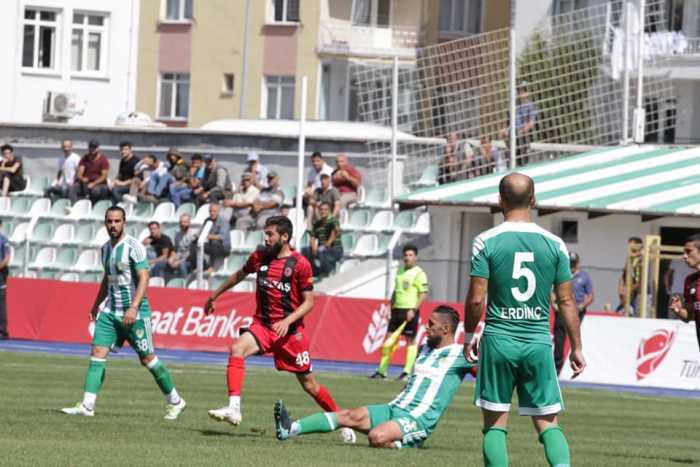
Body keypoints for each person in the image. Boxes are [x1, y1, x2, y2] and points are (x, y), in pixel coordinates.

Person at [463, 173, 585, 467]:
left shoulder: (486, 241)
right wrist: (577, 347)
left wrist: (469, 335)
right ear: (533, 199)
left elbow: (477, 298)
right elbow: (567, 300)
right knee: (548, 424)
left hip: (499, 340)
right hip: (538, 342)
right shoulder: (555, 244)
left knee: (495, 425)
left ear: (500, 200)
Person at [203, 216, 356, 443]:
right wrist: (215, 295)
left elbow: (309, 302)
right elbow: (239, 275)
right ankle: (234, 408)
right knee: (237, 348)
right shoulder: (260, 256)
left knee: (310, 385)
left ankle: (342, 421)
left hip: (290, 334)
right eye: (265, 233)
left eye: (270, 234)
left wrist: (288, 321)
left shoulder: (300, 264)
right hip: (263, 325)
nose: (266, 238)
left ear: (284, 237)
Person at [274, 305, 476, 448]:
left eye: (431, 324)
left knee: (376, 437)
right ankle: (290, 428)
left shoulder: (461, 354)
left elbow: (486, 376)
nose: (426, 327)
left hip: (417, 420)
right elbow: (413, 384)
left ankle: (406, 442)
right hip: (393, 409)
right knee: (350, 415)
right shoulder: (423, 349)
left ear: (446, 329)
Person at [61, 206, 186, 419]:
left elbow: (144, 278)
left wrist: (134, 307)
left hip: (135, 313)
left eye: (117, 221)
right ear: (105, 223)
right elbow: (106, 279)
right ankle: (87, 405)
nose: (113, 225)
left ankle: (175, 401)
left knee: (147, 359)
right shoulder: (105, 249)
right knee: (97, 354)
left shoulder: (134, 246)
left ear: (124, 222)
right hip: (110, 312)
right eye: (110, 221)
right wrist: (96, 305)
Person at [370, 245, 429, 381]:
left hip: (409, 310)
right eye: (406, 255)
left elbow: (423, 293)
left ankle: (407, 372)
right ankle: (382, 371)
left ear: (415, 257)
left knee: (410, 341)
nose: (407, 258)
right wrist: (390, 306)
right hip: (396, 310)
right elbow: (396, 291)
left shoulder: (419, 273)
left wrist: (413, 310)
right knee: (389, 340)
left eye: (410, 255)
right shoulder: (400, 271)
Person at [553, 252, 593, 375]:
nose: (571, 265)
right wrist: (554, 304)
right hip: (561, 312)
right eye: (569, 263)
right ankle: (557, 370)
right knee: (559, 342)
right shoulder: (561, 273)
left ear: (578, 263)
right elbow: (552, 291)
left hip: (577, 312)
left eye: (573, 263)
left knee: (575, 340)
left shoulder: (584, 277)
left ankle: (577, 366)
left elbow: (590, 295)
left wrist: (582, 305)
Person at [669, 234, 700, 351]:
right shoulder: (690, 281)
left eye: (689, 251)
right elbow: (689, 316)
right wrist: (678, 310)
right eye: (684, 252)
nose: (684, 256)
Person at [500, 81, 539, 166]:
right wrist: (504, 130)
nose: (521, 93)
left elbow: (531, 123)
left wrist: (522, 130)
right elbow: (507, 123)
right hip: (512, 137)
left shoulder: (531, 106)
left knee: (522, 162)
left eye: (523, 90)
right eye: (519, 90)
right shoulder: (513, 107)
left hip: (522, 138)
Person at [302, 202, 343, 278]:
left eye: (325, 209)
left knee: (322, 251)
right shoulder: (317, 224)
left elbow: (334, 232)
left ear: (329, 211)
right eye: (321, 209)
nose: (323, 211)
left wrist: (328, 243)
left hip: (335, 249)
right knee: (305, 251)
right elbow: (313, 237)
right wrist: (313, 246)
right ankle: (314, 272)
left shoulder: (333, 221)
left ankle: (326, 272)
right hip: (322, 247)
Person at [70, 140, 110, 204]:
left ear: (98, 148)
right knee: (73, 188)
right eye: (91, 147)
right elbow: (80, 173)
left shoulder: (103, 159)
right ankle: (74, 206)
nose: (92, 149)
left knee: (95, 191)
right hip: (86, 183)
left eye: (94, 147)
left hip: (100, 184)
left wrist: (94, 183)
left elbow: (104, 176)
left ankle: (93, 207)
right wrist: (82, 178)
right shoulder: (84, 158)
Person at [617, 236, 644, 314]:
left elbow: (640, 281)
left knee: (635, 313)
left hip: (638, 293)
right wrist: (621, 287)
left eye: (631, 245)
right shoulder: (630, 258)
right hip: (630, 292)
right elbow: (624, 273)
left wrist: (629, 289)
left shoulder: (642, 258)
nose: (629, 248)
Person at [167, 214, 197, 279]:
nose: (182, 224)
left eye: (185, 222)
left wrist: (178, 262)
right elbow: (175, 249)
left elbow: (191, 252)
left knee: (181, 265)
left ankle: (184, 284)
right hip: (178, 257)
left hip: (189, 259)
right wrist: (171, 258)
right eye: (181, 222)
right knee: (160, 265)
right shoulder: (177, 234)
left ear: (189, 223)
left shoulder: (194, 234)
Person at [202, 203, 230, 271]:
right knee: (195, 245)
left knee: (215, 245)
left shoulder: (223, 221)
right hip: (212, 245)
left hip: (223, 247)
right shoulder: (207, 220)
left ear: (218, 211)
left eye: (214, 211)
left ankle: (213, 268)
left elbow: (222, 237)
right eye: (210, 211)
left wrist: (208, 236)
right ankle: (203, 266)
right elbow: (202, 232)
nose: (212, 213)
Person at [0, 219, 10, 340]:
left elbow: (7, 258)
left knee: (0, 303)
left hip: (0, 275)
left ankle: (3, 331)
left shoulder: (3, 240)